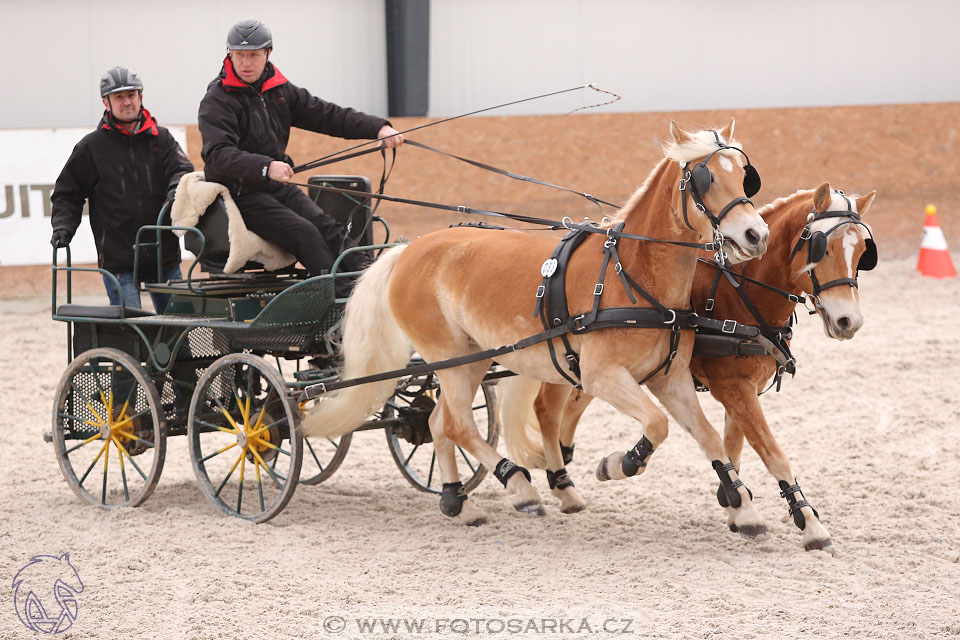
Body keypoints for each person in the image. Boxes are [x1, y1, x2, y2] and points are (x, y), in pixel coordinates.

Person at [198, 19, 404, 289]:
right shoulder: (217, 99)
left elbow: (328, 116)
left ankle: (375, 286)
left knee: (329, 227)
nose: (246, 63)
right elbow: (217, 156)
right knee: (305, 233)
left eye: (253, 55)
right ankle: (341, 302)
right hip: (242, 194)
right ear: (230, 54)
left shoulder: (279, 90)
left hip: (278, 187)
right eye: (240, 55)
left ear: (268, 54)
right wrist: (265, 166)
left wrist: (378, 128)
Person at [51, 67, 194, 313]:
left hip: (163, 253)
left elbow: (182, 171)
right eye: (119, 97)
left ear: (140, 97)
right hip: (118, 259)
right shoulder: (91, 147)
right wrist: (63, 227)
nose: (127, 102)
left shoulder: (162, 139)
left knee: (179, 326)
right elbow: (68, 193)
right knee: (131, 331)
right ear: (106, 102)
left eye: (131, 95)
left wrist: (176, 190)